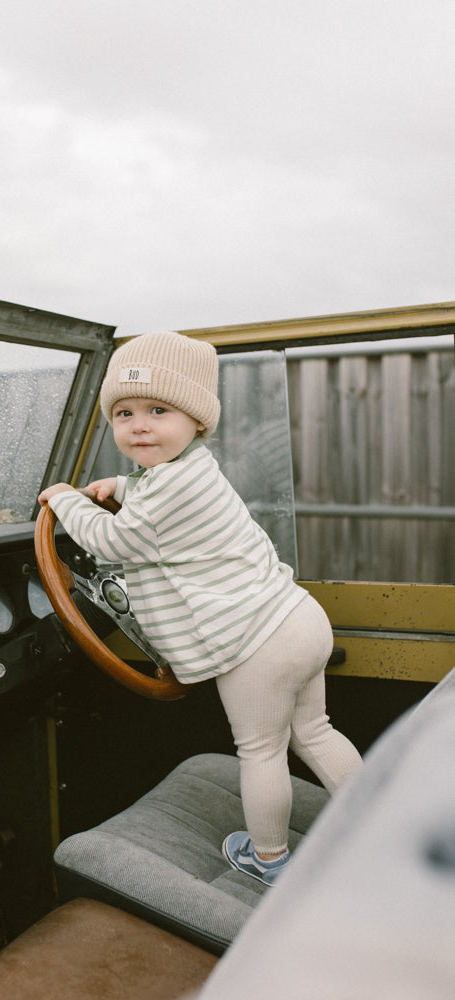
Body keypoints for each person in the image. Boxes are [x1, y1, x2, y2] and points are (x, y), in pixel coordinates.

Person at [38, 330, 362, 886]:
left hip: (255, 646)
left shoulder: (165, 492)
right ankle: (373, 819)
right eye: (123, 412)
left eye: (158, 410)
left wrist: (63, 499)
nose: (138, 425)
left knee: (260, 751)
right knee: (314, 731)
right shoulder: (188, 469)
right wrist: (119, 482)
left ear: (196, 421)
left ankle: (269, 861)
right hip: (297, 617)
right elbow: (149, 494)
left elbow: (113, 544)